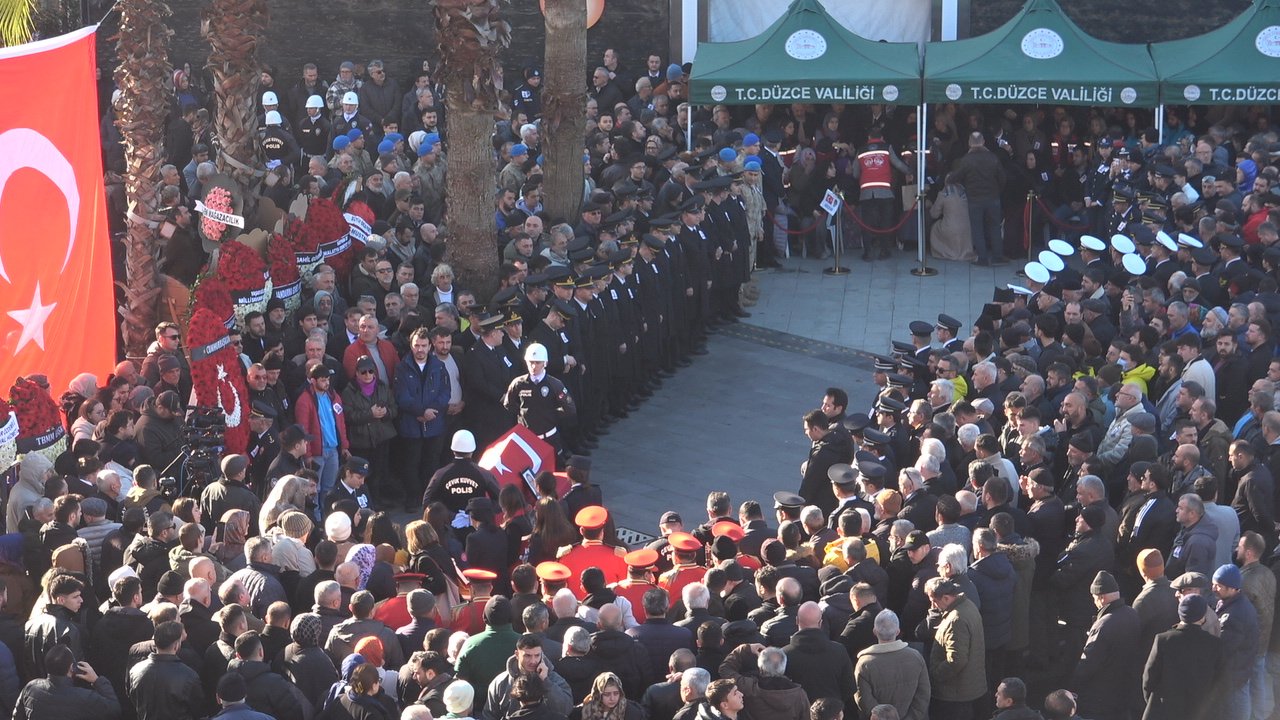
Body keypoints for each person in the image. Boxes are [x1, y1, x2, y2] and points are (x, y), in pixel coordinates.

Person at [1141, 594, 1221, 720]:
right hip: (1199, 711)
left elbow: (1149, 677)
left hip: (1164, 709)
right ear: (1202, 616)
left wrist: (1153, 701)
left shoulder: (1163, 640)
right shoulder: (1214, 644)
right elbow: (1219, 680)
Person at [853, 609, 929, 720]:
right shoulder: (916, 657)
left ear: (874, 631)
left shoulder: (864, 664)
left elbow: (863, 699)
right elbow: (924, 694)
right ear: (898, 631)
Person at [13, 645, 119, 720]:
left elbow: (17, 715)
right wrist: (97, 680)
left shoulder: (31, 687)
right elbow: (114, 709)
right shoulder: (85, 697)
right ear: (72, 667)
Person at [127, 621, 205, 720]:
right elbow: (197, 708)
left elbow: (132, 696)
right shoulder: (189, 675)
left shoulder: (135, 670)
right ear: (176, 646)